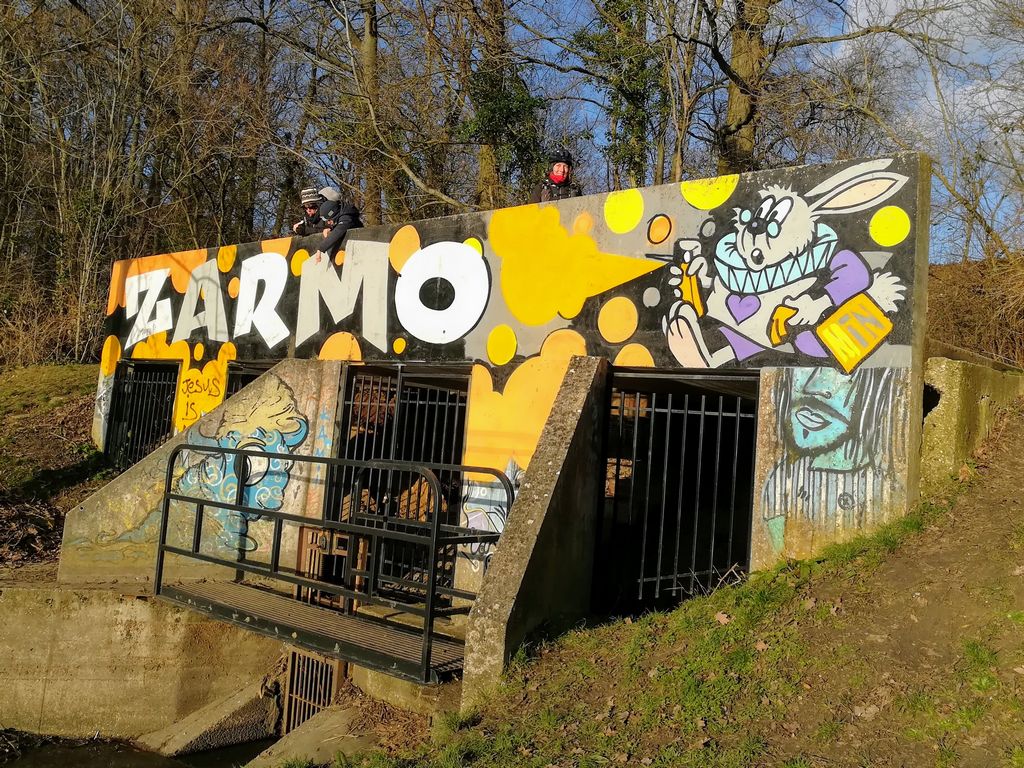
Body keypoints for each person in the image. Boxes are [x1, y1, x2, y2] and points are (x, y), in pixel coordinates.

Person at [316, 186, 363, 258]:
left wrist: (321, 249)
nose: (328, 223)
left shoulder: (346, 218)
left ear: (333, 214)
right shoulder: (342, 215)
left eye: (329, 220)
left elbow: (338, 231)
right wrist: (331, 229)